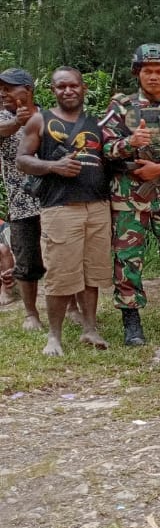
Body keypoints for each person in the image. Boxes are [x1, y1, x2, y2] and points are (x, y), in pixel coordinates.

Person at [100, 44, 160, 343]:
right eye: (147, 71)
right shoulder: (120, 106)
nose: (153, 77)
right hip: (129, 193)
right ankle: (131, 320)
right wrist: (130, 142)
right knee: (128, 257)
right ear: (137, 74)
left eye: (159, 72)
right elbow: (103, 148)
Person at [16, 67, 112, 356]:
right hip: (60, 207)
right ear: (53, 90)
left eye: (73, 86)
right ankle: (54, 337)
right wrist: (53, 166)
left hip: (96, 206)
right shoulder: (39, 120)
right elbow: (22, 159)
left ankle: (90, 329)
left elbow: (110, 158)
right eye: (61, 87)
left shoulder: (96, 123)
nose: (68, 91)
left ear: (83, 88)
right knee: (60, 273)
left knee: (91, 272)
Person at [0, 67, 50, 331]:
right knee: (26, 259)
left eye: (9, 88)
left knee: (62, 257)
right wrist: (18, 122)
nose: (3, 93)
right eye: (1, 88)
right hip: (21, 203)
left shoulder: (50, 116)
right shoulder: (3, 117)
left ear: (28, 90)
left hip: (55, 200)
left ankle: (74, 308)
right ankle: (31, 314)